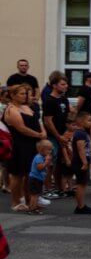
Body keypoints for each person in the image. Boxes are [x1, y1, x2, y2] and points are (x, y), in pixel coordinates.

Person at [5, 84, 45, 212]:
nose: (25, 96)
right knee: (17, 174)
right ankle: (16, 202)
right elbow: (21, 129)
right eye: (22, 94)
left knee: (30, 174)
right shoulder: (12, 109)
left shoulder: (26, 107)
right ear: (13, 95)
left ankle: (29, 200)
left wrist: (43, 132)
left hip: (32, 145)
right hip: (19, 145)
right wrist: (39, 135)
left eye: (25, 93)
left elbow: (38, 121)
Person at [66, 108, 91, 215]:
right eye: (89, 120)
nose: (90, 122)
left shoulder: (80, 133)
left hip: (79, 161)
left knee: (82, 183)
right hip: (80, 162)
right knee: (81, 184)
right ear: (81, 121)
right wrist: (84, 162)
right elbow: (80, 149)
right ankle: (80, 207)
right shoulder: (80, 134)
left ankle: (81, 205)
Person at [27, 139, 54, 213]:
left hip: (38, 179)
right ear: (41, 150)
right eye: (48, 150)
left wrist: (48, 162)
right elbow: (40, 168)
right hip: (35, 179)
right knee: (34, 195)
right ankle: (32, 209)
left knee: (37, 194)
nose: (50, 151)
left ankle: (34, 206)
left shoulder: (42, 157)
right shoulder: (38, 157)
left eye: (51, 150)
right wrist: (46, 162)